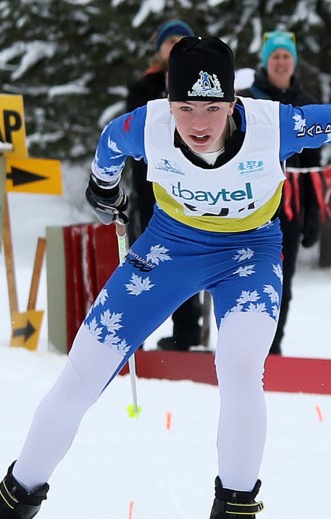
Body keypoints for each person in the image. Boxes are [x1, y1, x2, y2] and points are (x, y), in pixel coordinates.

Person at [0, 37, 331, 519]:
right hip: (170, 248)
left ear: (233, 104)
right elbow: (108, 143)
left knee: (240, 366)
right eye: (185, 108)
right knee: (82, 371)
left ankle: (236, 515)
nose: (198, 123)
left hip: (250, 252)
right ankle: (9, 508)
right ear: (168, 103)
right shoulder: (145, 127)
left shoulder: (272, 125)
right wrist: (104, 190)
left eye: (213, 108)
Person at [124, 18, 205, 352]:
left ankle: (186, 334)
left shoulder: (202, 83)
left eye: (180, 40)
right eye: (168, 40)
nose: (173, 46)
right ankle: (137, 332)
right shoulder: (144, 87)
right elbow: (132, 133)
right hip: (151, 186)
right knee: (147, 259)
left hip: (193, 185)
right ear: (158, 48)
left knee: (188, 258)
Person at [239, 30, 322, 355]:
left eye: (287, 56)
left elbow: (314, 167)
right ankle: (243, 349)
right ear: (265, 61)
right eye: (275, 56)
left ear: (294, 61)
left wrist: (313, 213)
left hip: (290, 210)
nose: (281, 62)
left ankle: (273, 348)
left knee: (281, 282)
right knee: (247, 280)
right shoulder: (248, 99)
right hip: (250, 205)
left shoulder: (308, 103)